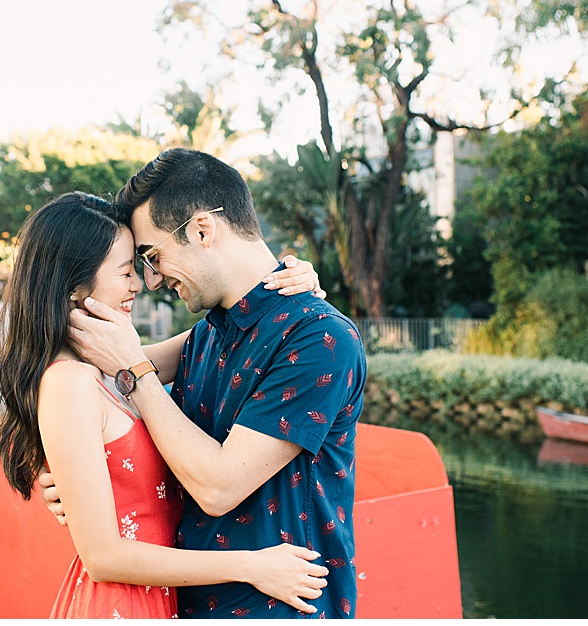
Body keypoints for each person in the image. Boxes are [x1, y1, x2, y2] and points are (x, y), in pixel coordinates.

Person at [52, 148, 367, 618]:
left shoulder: (320, 338)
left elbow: (219, 488)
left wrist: (136, 373)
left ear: (202, 230)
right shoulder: (208, 334)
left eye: (153, 256)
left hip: (276, 607)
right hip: (185, 603)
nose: (152, 280)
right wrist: (69, 470)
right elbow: (90, 378)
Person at [0, 191, 331, 619]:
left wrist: (293, 286)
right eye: (126, 270)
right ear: (76, 284)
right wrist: (251, 566)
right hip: (121, 602)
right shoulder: (72, 382)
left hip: (156, 596)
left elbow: (245, 334)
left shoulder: (107, 369)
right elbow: (103, 556)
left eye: (142, 265)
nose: (141, 283)